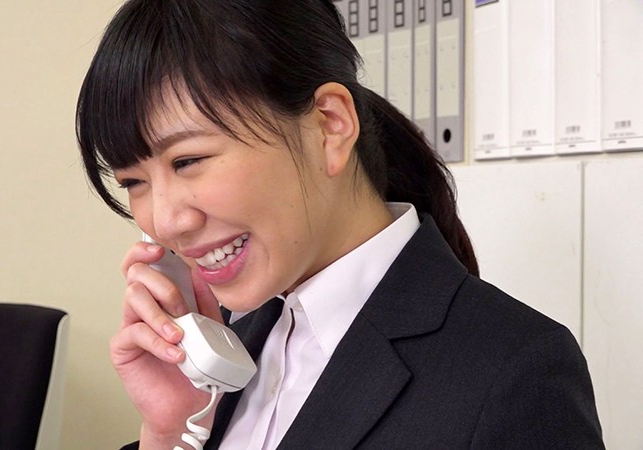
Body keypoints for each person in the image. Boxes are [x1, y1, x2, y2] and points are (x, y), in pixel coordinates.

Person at [75, 0, 603, 448]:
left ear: (329, 126)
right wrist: (169, 433)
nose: (166, 221)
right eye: (133, 182)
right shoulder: (230, 341)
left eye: (188, 161)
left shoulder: (515, 371)